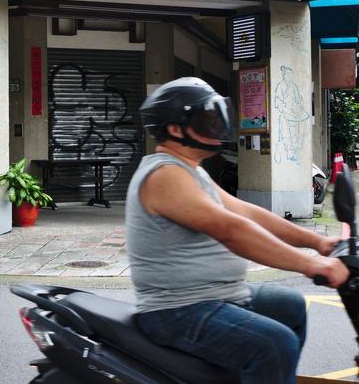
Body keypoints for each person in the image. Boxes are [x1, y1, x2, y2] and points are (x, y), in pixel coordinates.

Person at [127, 77, 349, 384]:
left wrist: (320, 242)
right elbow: (232, 229)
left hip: (214, 295)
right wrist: (312, 264)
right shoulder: (164, 174)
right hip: (178, 309)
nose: (215, 127)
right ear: (175, 129)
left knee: (291, 306)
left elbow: (246, 211)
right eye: (206, 120)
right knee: (274, 344)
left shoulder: (190, 170)